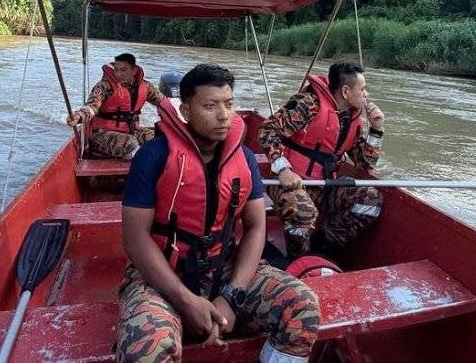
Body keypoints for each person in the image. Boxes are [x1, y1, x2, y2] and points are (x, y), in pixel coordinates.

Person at [116, 64, 321, 363]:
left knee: (303, 306)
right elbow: (134, 239)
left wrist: (231, 296)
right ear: (186, 110)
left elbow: (254, 228)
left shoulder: (244, 158)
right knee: (146, 350)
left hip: (222, 265)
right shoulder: (153, 156)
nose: (224, 115)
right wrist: (186, 301)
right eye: (210, 106)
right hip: (162, 272)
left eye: (229, 104)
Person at [260, 61, 385, 260]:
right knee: (303, 212)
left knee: (371, 199)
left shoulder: (352, 119)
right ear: (345, 91)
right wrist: (283, 169)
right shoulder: (307, 104)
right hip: (289, 183)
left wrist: (376, 129)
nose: (366, 94)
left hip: (325, 186)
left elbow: (365, 164)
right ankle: (298, 256)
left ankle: (325, 245)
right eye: (362, 89)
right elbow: (267, 131)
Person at [67, 53, 166, 159]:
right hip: (102, 135)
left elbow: (164, 103)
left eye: (123, 70)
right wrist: (79, 116)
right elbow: (92, 106)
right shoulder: (104, 86)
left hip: (132, 131)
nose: (118, 74)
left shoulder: (145, 86)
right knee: (130, 144)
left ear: (133, 70)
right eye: (116, 70)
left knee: (161, 138)